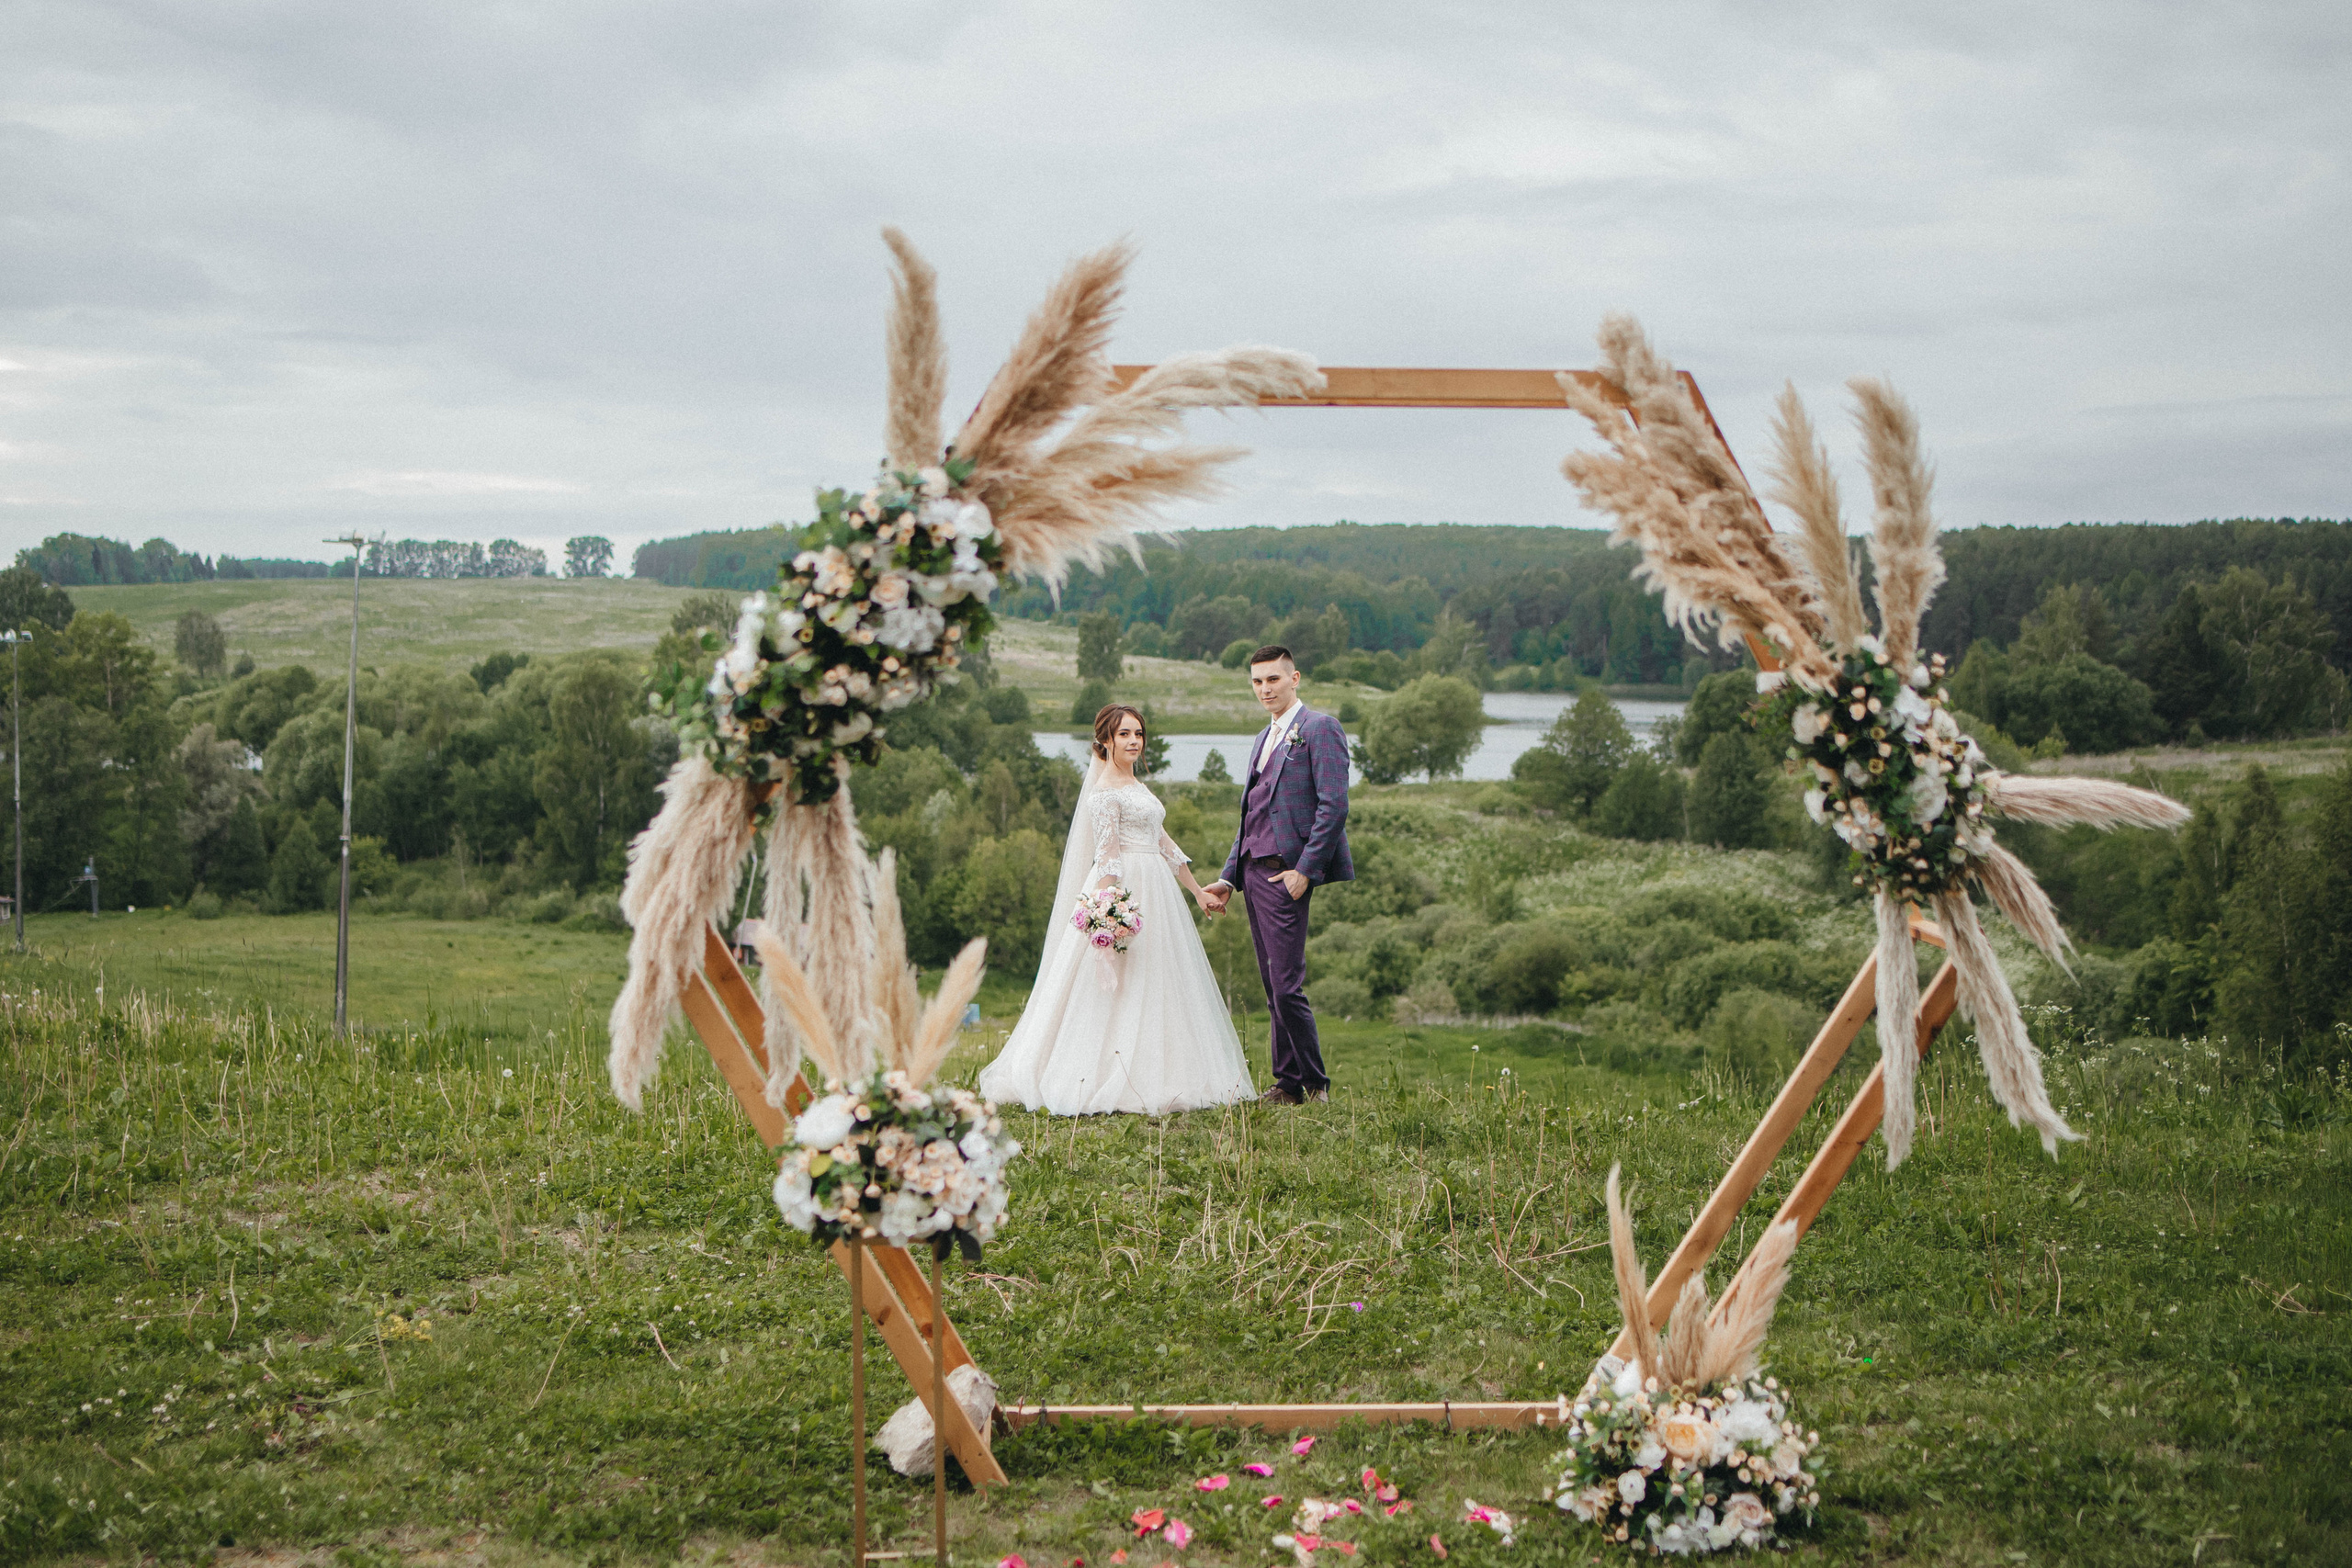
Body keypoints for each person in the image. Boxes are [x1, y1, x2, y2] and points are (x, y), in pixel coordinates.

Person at [978, 705, 1256, 1115]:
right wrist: (1106, 911)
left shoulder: (1134, 783)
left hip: (1156, 885)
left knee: (1159, 975)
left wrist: (1197, 891)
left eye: (1138, 734)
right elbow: (1106, 856)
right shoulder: (1105, 790)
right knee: (1118, 980)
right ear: (1105, 740)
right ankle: (1107, 1073)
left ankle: (1166, 1068)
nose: (1133, 741)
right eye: (1124, 734)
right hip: (1125, 886)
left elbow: (1163, 842)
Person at [1200, 645, 1353, 1104]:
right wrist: (1229, 878)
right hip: (1252, 874)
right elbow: (1252, 817)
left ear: (1295, 678)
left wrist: (1305, 871)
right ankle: (1288, 1084)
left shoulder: (1320, 728)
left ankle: (1315, 1084)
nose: (1265, 689)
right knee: (1272, 986)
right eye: (1257, 681)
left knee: (1287, 985)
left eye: (1273, 679)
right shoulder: (1263, 737)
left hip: (1285, 875)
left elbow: (1334, 805)